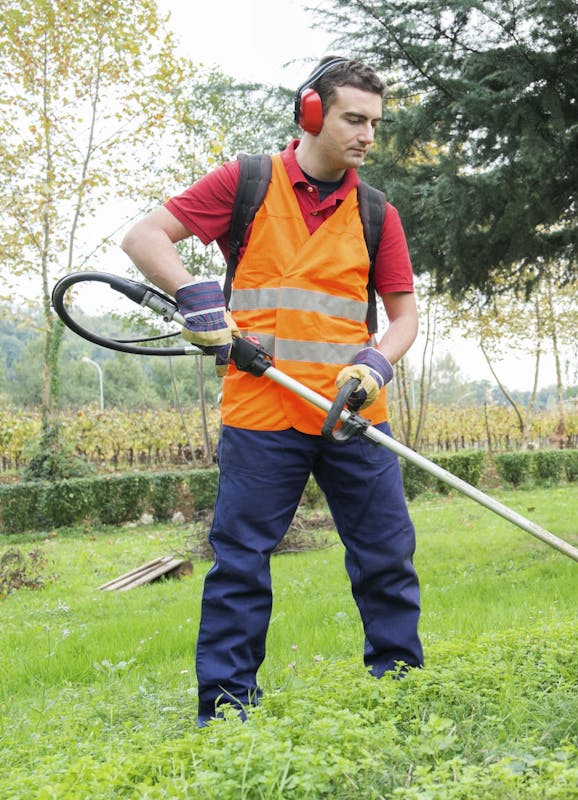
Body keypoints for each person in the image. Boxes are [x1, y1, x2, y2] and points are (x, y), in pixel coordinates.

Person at [121, 56, 423, 726]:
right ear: (311, 112)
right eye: (353, 118)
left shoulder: (377, 213)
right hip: (262, 413)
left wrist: (375, 365)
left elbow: (403, 320)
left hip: (351, 414)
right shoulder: (248, 182)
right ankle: (227, 711)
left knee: (387, 557)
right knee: (241, 566)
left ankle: (402, 686)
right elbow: (144, 237)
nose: (367, 135)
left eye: (375, 122)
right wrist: (196, 295)